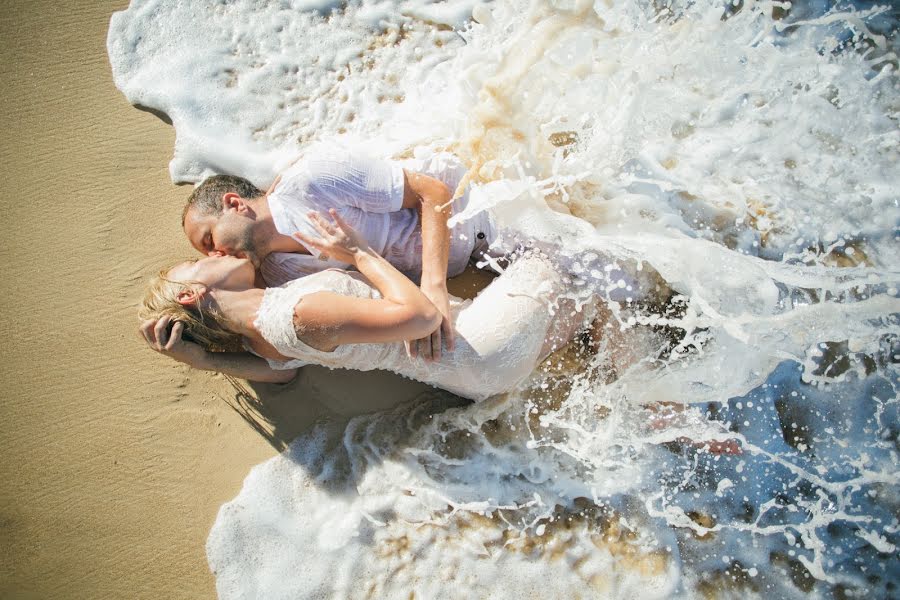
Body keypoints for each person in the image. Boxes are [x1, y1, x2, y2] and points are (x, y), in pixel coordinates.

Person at [140, 210, 588, 400]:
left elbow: (279, 374)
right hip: (478, 344)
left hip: (473, 378)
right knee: (570, 252)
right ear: (191, 293)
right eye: (193, 264)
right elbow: (421, 317)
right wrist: (358, 253)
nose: (210, 255)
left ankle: (652, 402)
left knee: (595, 305)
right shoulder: (295, 316)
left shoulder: (260, 341)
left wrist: (201, 360)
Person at [180, 144, 500, 363]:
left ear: (234, 204)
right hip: (463, 266)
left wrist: (433, 285)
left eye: (209, 239)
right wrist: (199, 356)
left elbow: (432, 191)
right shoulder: (279, 274)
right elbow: (275, 349)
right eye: (206, 255)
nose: (214, 254)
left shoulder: (311, 181)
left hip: (477, 212)